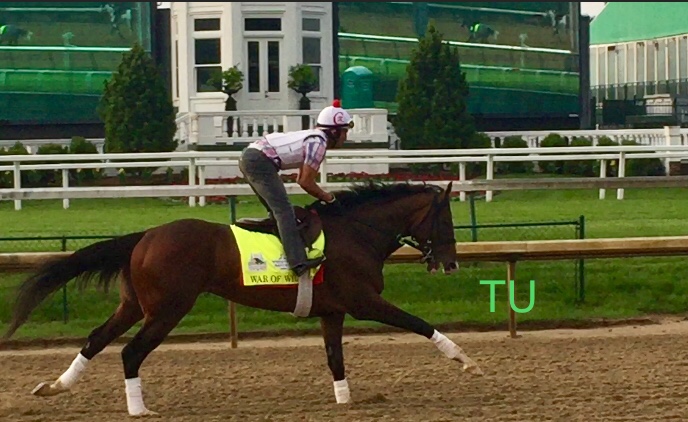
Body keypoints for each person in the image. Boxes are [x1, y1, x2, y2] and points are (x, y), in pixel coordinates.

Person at [239, 99, 353, 277]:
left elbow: (301, 178)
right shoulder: (319, 143)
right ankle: (298, 263)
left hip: (253, 156)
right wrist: (328, 198)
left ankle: (278, 250)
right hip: (259, 160)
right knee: (284, 212)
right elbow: (306, 181)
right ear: (334, 131)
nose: (346, 137)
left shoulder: (314, 138)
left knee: (277, 212)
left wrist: (323, 196)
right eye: (344, 132)